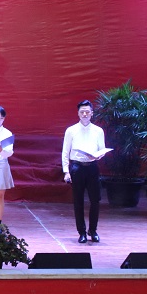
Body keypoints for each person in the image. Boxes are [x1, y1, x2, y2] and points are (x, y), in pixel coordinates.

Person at [62, 99, 106, 244]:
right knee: (78, 201)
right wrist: (66, 171)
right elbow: (65, 152)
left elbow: (102, 149)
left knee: (95, 200)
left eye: (87, 112)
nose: (85, 114)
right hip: (77, 167)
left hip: (92, 166)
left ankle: (93, 230)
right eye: (82, 112)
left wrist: (98, 155)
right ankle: (81, 232)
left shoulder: (98, 131)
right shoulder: (71, 130)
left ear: (92, 113)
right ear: (78, 113)